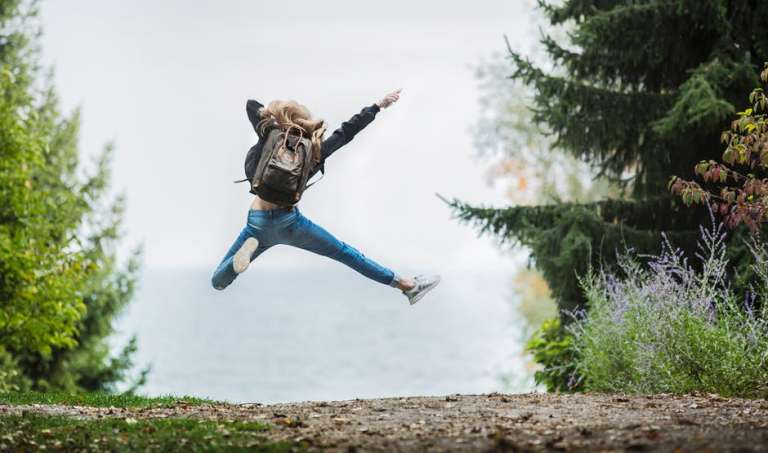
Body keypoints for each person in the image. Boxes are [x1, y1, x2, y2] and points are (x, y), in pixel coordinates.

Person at [211, 89, 440, 305]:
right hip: (290, 223)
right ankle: (407, 286)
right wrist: (377, 106)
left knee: (218, 282)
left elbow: (251, 105)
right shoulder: (314, 151)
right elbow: (347, 132)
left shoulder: (270, 134)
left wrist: (273, 121)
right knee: (345, 253)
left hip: (257, 222)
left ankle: (236, 264)